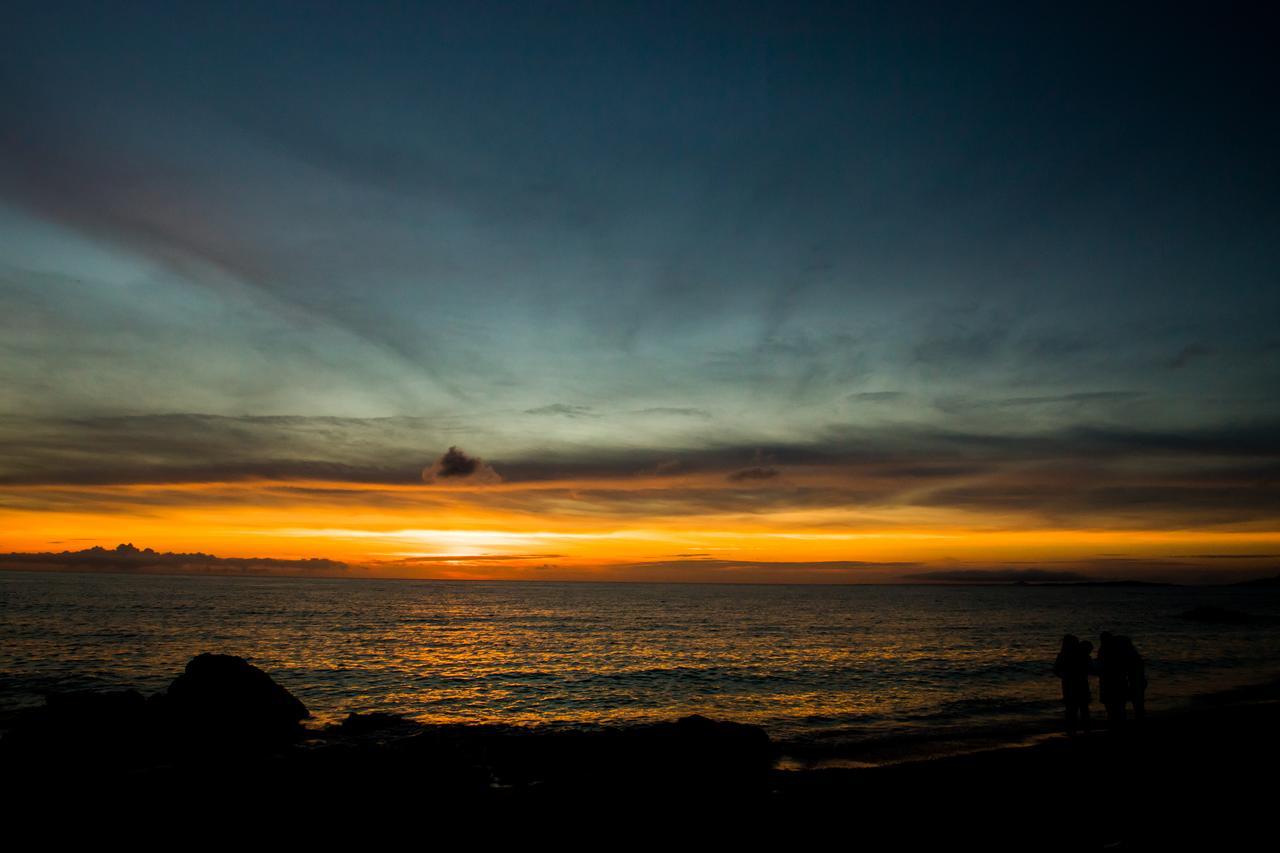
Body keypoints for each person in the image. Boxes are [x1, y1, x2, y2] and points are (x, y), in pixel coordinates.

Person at [1053, 634, 1085, 735]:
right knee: (1081, 707)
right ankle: (1082, 729)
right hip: (1078, 682)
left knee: (1071, 708)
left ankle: (1071, 729)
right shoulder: (1079, 655)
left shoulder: (1063, 655)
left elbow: (1056, 670)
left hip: (1070, 683)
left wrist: (1063, 675)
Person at [1097, 632, 1129, 729]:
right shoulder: (1119, 651)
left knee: (1111, 706)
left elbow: (1100, 666)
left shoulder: (1103, 650)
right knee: (1119, 706)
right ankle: (1119, 724)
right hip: (1118, 680)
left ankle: (1114, 724)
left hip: (1108, 681)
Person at [1119, 635, 1147, 722]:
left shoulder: (1129, 655)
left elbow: (1126, 669)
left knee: (1136, 704)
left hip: (1136, 682)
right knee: (1138, 705)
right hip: (1139, 681)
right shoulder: (1134, 654)